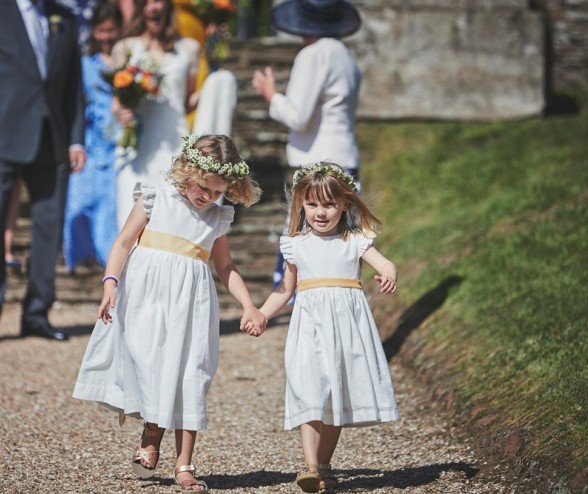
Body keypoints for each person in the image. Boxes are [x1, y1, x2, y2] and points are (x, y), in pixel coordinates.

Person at [73, 135, 266, 492]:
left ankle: (184, 464)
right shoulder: (155, 197)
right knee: (153, 366)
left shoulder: (218, 218)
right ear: (188, 170)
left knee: (190, 372)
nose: (207, 197)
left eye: (217, 191)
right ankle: (151, 431)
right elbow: (122, 242)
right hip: (147, 299)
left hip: (191, 305)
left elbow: (225, 267)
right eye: (203, 188)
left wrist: (250, 305)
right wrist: (110, 282)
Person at [245, 163, 399, 493]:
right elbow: (285, 290)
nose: (320, 212)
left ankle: (325, 463)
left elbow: (385, 263)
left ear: (345, 204)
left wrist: (389, 274)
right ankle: (311, 466)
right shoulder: (295, 244)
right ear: (301, 203)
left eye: (329, 204)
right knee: (309, 388)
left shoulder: (355, 240)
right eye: (312, 204)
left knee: (336, 393)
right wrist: (261, 314)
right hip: (309, 328)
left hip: (347, 329)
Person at [0, 0, 86, 343]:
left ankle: (37, 313)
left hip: (50, 139)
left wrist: (76, 140)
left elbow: (72, 86)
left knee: (48, 229)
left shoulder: (63, 17)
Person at [251, 0, 363, 287]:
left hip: (318, 163)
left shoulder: (313, 55)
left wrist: (271, 95)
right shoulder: (346, 57)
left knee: (308, 249)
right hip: (346, 160)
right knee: (337, 248)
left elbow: (298, 116)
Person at [111, 0, 200, 228]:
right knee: (129, 214)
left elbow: (188, 101)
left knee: (170, 215)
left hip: (174, 142)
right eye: (148, 2)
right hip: (136, 146)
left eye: (158, 1)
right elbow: (115, 102)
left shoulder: (188, 49)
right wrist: (123, 112)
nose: (154, 7)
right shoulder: (125, 47)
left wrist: (210, 92)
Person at [63, 2, 122, 269]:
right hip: (90, 141)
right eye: (101, 30)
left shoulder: (128, 65)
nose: (106, 36)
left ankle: (107, 261)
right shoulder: (85, 64)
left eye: (111, 30)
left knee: (110, 208)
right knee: (78, 203)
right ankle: (79, 257)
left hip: (119, 145)